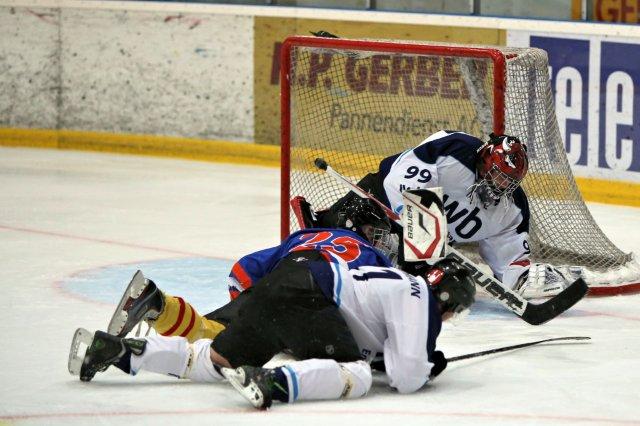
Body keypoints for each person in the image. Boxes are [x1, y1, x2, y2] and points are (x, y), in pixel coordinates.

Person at [71, 254, 476, 410]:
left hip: (283, 283)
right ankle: (271, 382)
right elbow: (407, 379)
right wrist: (427, 366)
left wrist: (397, 360)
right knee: (357, 375)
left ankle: (118, 350)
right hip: (308, 295)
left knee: (214, 360)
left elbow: (371, 336)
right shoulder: (419, 296)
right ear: (447, 298)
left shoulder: (401, 284)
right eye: (454, 311)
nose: (448, 319)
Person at [306, 130, 571, 299]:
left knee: (433, 289)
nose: (500, 186)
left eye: (508, 182)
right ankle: (323, 237)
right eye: (497, 175)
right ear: (484, 161)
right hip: (382, 202)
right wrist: (422, 223)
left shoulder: (512, 209)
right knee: (351, 223)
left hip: (425, 248)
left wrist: (523, 278)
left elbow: (508, 260)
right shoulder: (456, 148)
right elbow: (399, 176)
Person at [106, 196, 397, 343]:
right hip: (315, 294)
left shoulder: (302, 237)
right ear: (353, 227)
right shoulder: (371, 254)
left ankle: (158, 305)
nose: (378, 239)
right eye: (373, 231)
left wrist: (251, 307)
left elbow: (242, 272)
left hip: (281, 280)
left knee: (211, 332)